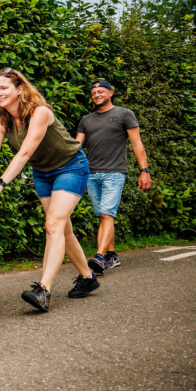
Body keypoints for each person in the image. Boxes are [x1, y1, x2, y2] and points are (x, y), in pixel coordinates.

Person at [0, 68, 97, 312]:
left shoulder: (40, 112)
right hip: (43, 172)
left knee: (53, 225)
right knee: (62, 228)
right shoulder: (1, 122)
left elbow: (26, 152)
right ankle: (88, 277)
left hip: (71, 167)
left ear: (19, 89)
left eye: (4, 88)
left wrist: (0, 184)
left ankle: (43, 290)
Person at [75, 78, 151, 274]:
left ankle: (98, 257)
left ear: (110, 93)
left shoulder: (124, 114)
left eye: (101, 91)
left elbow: (136, 144)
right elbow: (76, 147)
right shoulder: (86, 120)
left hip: (115, 173)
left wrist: (145, 171)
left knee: (107, 213)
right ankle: (111, 255)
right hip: (91, 173)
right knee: (103, 215)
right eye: (93, 93)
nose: (96, 94)